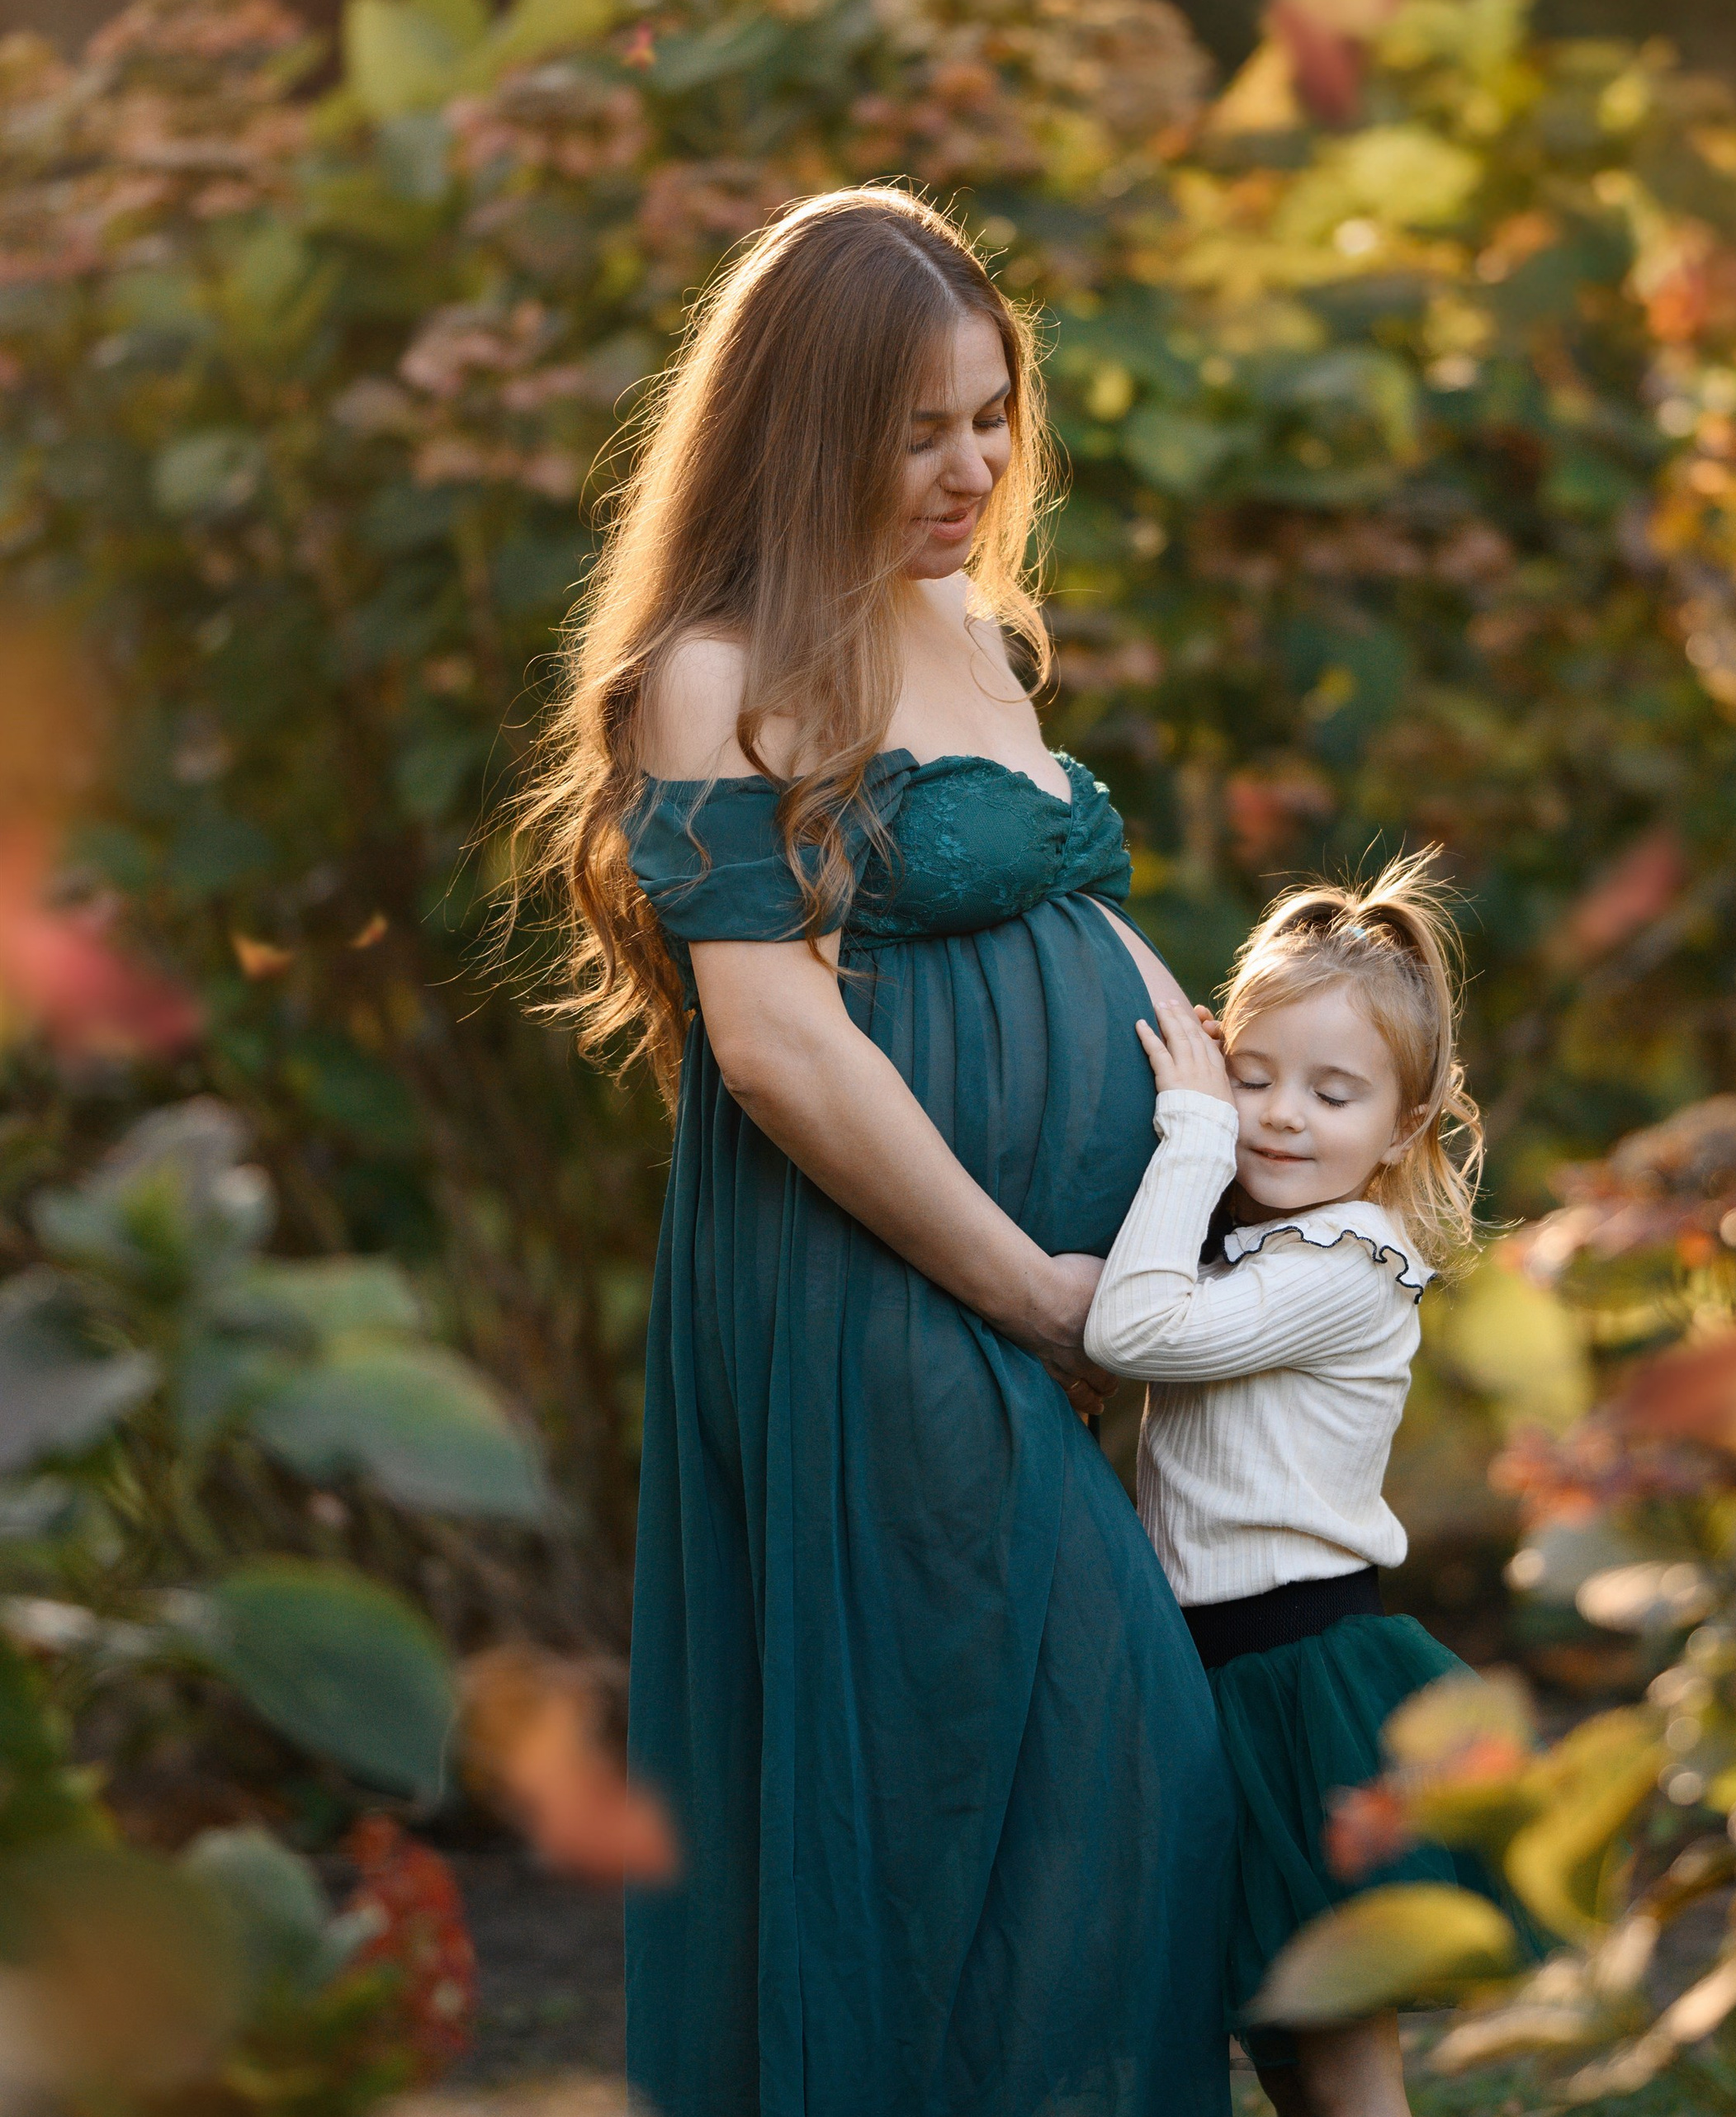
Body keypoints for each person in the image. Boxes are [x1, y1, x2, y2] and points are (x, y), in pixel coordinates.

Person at [513, 187, 1234, 2115]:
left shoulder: (964, 624)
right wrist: (1033, 1289)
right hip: (885, 1285)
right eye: (918, 427)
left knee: (1068, 1786)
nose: (974, 465)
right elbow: (775, 1045)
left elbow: (1071, 906)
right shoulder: (720, 670)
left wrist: (1246, 1131)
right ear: (803, 424)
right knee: (1044, 1770)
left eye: (992, 414)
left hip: (1073, 1288)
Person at [1084, 858, 1498, 2117]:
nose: (1278, 1116)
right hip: (1209, 1668)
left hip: (1298, 1672)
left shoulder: (1348, 1260)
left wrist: (1193, 1126)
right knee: (1269, 2031)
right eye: (1251, 1076)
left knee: (1334, 2036)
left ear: (1402, 1128)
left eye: (1333, 1091)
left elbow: (1134, 1328)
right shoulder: (1260, 1237)